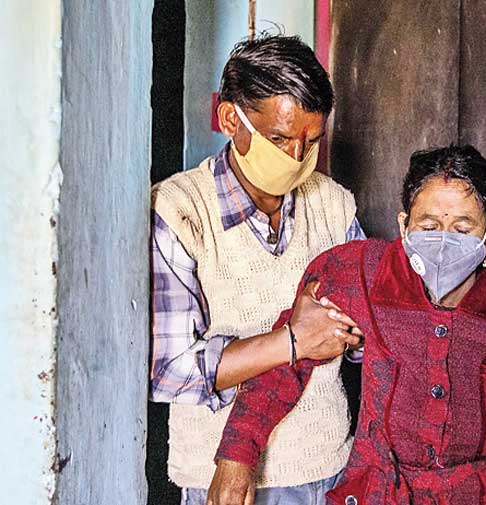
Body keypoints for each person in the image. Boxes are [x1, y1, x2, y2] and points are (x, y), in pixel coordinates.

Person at [207, 146, 486, 504]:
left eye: (463, 228)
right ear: (404, 226)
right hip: (378, 491)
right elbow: (289, 359)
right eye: (428, 226)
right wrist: (236, 457)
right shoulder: (359, 274)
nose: (444, 240)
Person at [150, 35, 366, 505]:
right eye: (279, 139)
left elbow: (361, 338)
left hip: (327, 464)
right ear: (231, 119)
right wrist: (293, 340)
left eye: (310, 141)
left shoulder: (331, 204)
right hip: (219, 479)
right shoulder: (181, 210)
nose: (295, 158)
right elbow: (171, 370)